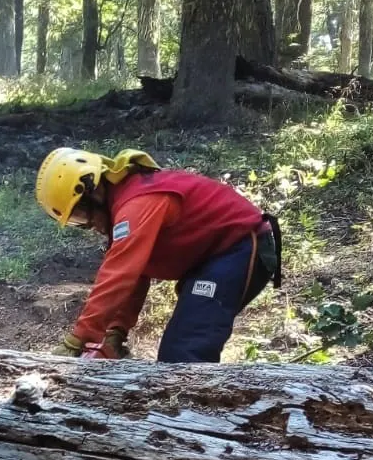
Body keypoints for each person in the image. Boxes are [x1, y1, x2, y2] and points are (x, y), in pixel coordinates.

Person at [35, 148, 281, 362]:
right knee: (181, 348)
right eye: (78, 222)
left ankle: (192, 412)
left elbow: (119, 273)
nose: (88, 225)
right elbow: (136, 274)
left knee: (184, 352)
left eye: (81, 215)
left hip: (239, 247)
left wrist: (78, 339)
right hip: (215, 256)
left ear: (92, 190)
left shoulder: (139, 203)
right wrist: (115, 333)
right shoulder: (127, 204)